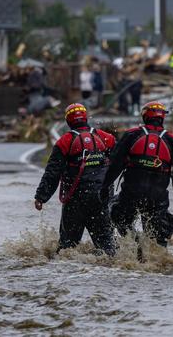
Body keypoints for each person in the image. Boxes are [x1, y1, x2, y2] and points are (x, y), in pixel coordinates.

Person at [101, 101, 173, 248]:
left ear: (145, 116)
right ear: (162, 118)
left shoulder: (131, 135)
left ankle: (135, 245)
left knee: (118, 215)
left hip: (130, 194)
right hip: (158, 198)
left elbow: (114, 165)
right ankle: (155, 257)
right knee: (159, 235)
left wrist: (104, 187)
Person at [34, 103, 117, 256]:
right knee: (106, 246)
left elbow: (52, 173)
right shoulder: (106, 138)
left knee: (67, 248)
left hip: (75, 201)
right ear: (86, 118)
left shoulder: (64, 142)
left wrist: (41, 197)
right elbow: (119, 164)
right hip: (101, 199)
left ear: (68, 121)